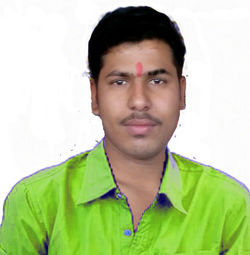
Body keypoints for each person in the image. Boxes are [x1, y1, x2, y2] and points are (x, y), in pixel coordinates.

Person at [0, 6, 249, 254]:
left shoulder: (229, 206)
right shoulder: (37, 204)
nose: (139, 101)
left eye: (157, 81)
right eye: (119, 82)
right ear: (94, 95)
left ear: (182, 93)